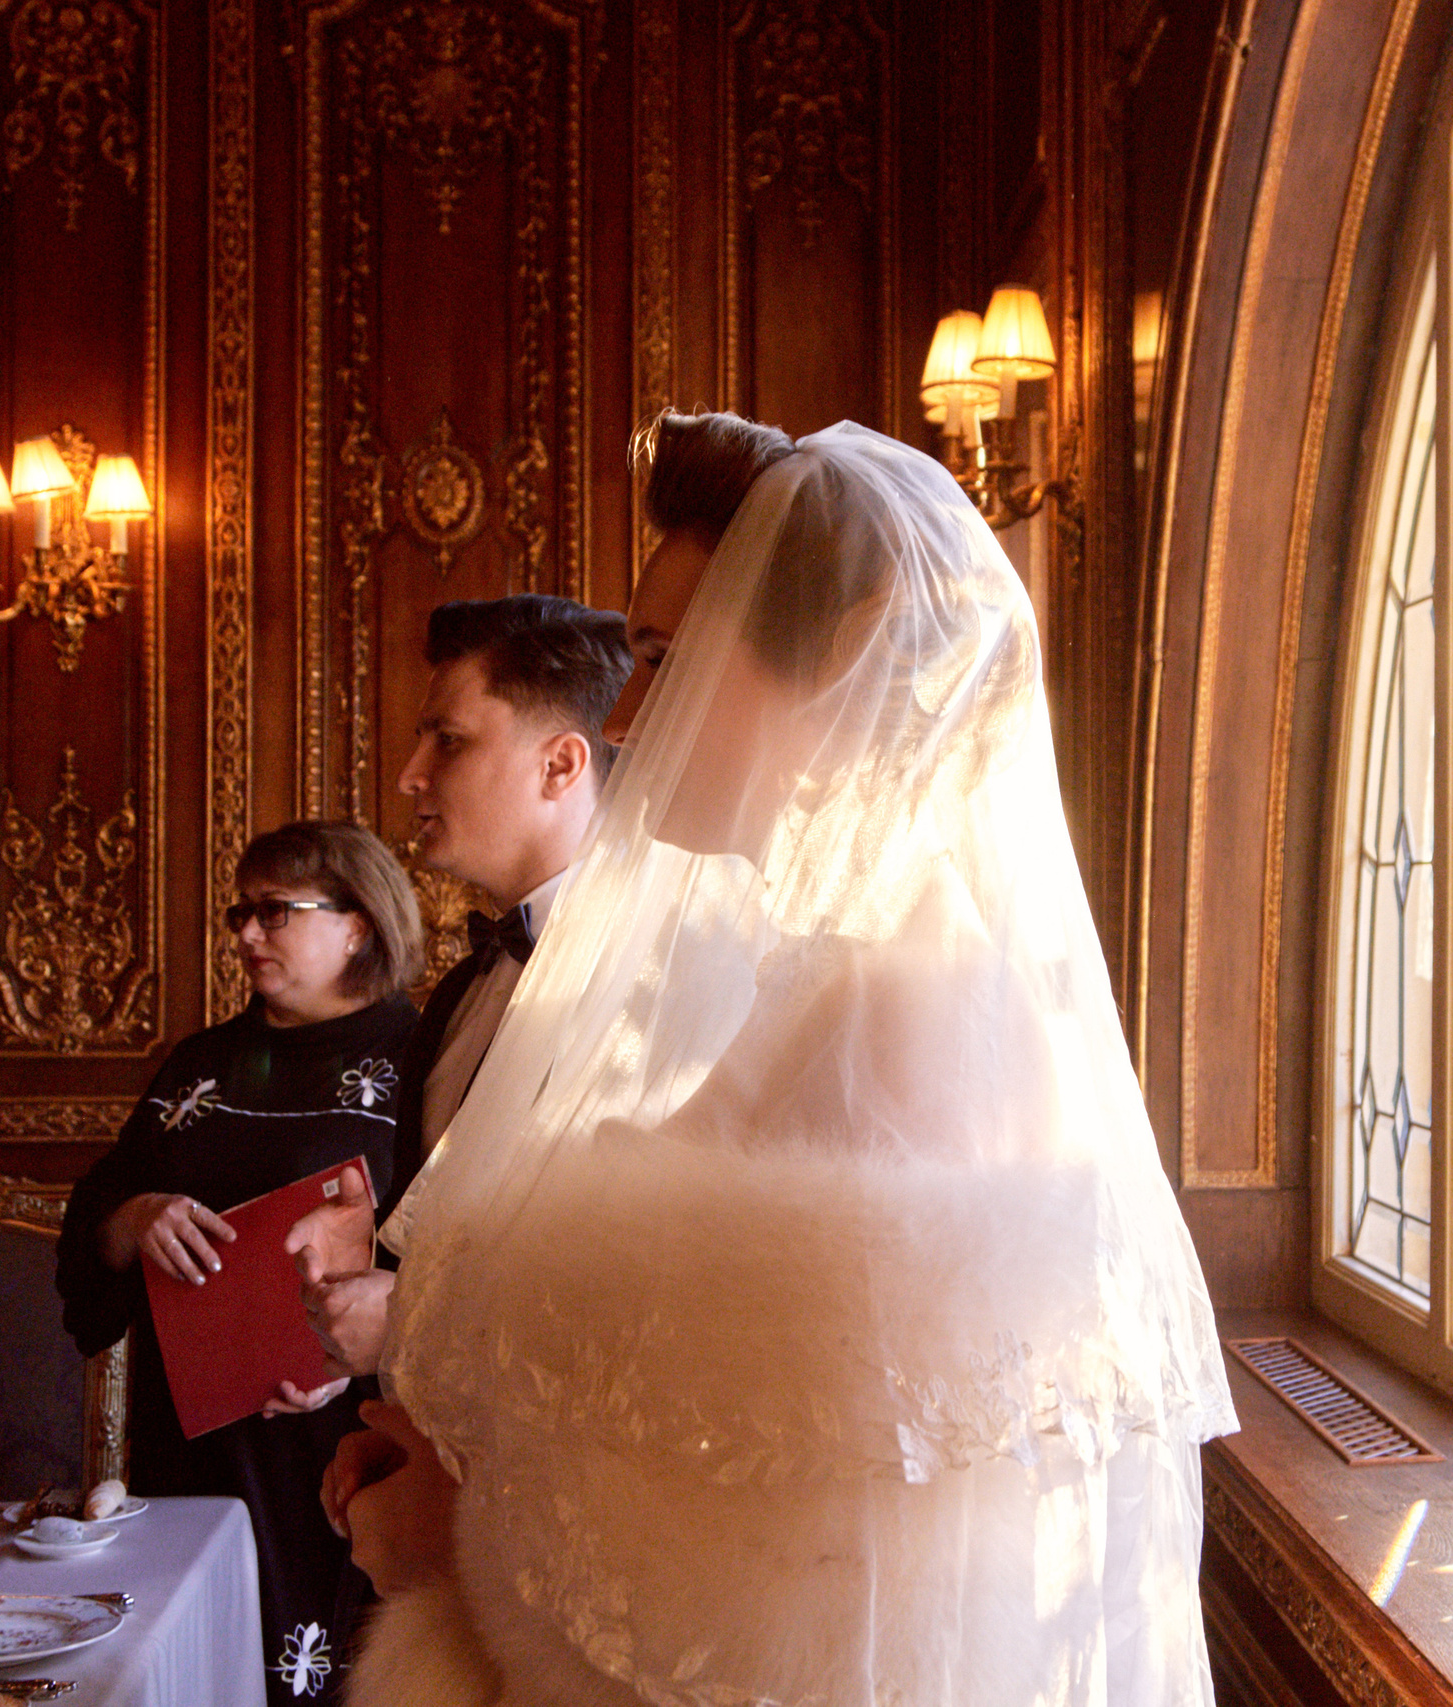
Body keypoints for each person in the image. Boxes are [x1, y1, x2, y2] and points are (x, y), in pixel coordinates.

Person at [335, 414, 1238, 1705]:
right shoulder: (833, 969)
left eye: (660, 655)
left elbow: (804, 1603)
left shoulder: (906, 1012)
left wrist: (453, 1547)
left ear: (841, 667)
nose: (633, 711)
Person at [54, 820, 424, 1707]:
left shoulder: (423, 1058)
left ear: (359, 924)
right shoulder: (201, 1066)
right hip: (193, 1460)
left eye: (274, 912)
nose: (246, 934)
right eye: (240, 913)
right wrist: (134, 1218)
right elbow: (92, 1229)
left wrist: (363, 1355)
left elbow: (468, 1263)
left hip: (348, 1449)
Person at [292, 594, 632, 1384]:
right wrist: (373, 1251)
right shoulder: (456, 997)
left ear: (561, 765)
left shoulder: (653, 986)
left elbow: (640, 1295)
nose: (410, 776)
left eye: (447, 740)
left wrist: (412, 1318)